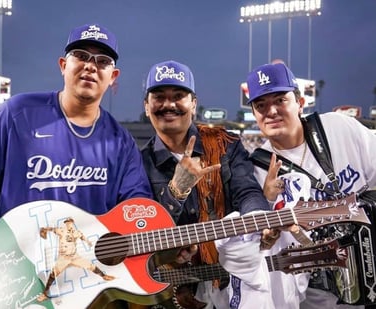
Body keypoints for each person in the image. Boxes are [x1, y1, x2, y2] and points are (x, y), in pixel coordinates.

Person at [0, 23, 152, 308]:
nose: (91, 66)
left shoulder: (121, 141)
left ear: (112, 77)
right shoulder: (15, 113)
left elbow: (136, 205)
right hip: (16, 271)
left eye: (102, 61)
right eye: (81, 55)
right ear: (63, 65)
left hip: (87, 288)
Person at [140, 60, 274, 309]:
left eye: (179, 96)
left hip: (231, 279)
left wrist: (260, 220)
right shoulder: (139, 162)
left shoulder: (224, 144)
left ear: (193, 102)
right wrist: (176, 191)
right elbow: (143, 229)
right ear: (146, 106)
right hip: (172, 289)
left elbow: (247, 191)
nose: (169, 104)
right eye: (159, 97)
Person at [242, 62, 376, 308]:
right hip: (319, 291)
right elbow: (262, 245)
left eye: (280, 100)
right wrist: (268, 202)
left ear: (300, 103)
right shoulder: (258, 169)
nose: (270, 111)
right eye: (261, 105)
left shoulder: (338, 126)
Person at [37, 217, 115, 302]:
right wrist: (45, 229)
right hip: (64, 257)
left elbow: (82, 236)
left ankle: (104, 276)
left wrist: (88, 241)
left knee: (90, 265)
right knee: (53, 273)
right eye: (67, 223)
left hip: (74, 257)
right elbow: (52, 229)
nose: (68, 224)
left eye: (69, 222)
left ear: (72, 223)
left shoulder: (76, 232)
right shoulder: (62, 230)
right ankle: (45, 293)